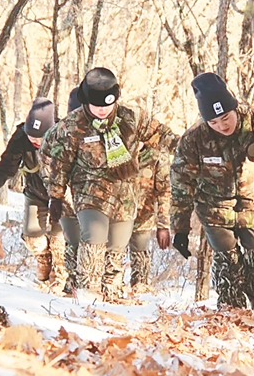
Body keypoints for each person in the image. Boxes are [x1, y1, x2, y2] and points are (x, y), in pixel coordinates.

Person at [42, 67, 177, 301]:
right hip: (89, 190)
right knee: (94, 234)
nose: (103, 110)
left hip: (125, 193)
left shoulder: (132, 117)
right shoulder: (72, 126)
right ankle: (88, 291)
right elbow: (57, 161)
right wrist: (56, 194)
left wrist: (191, 150)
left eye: (108, 104)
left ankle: (111, 293)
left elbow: (164, 136)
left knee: (117, 243)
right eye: (97, 106)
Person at [171, 73, 254, 313]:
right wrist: (180, 228)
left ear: (234, 107)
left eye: (225, 118)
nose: (222, 126)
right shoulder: (194, 139)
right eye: (213, 122)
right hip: (215, 211)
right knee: (228, 267)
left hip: (253, 207)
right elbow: (181, 184)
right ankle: (231, 316)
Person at [0, 97, 74, 293]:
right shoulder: (21, 137)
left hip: (63, 196)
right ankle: (43, 259)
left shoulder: (66, 135)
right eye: (32, 136)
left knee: (59, 239)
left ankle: (59, 281)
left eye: (40, 137)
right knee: (32, 237)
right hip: (36, 192)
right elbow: (6, 166)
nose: (35, 141)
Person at [129, 144, 171, 291]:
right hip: (114, 216)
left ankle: (139, 291)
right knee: (110, 257)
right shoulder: (116, 145)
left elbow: (164, 191)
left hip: (142, 217)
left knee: (140, 259)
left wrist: (163, 225)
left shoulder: (157, 153)